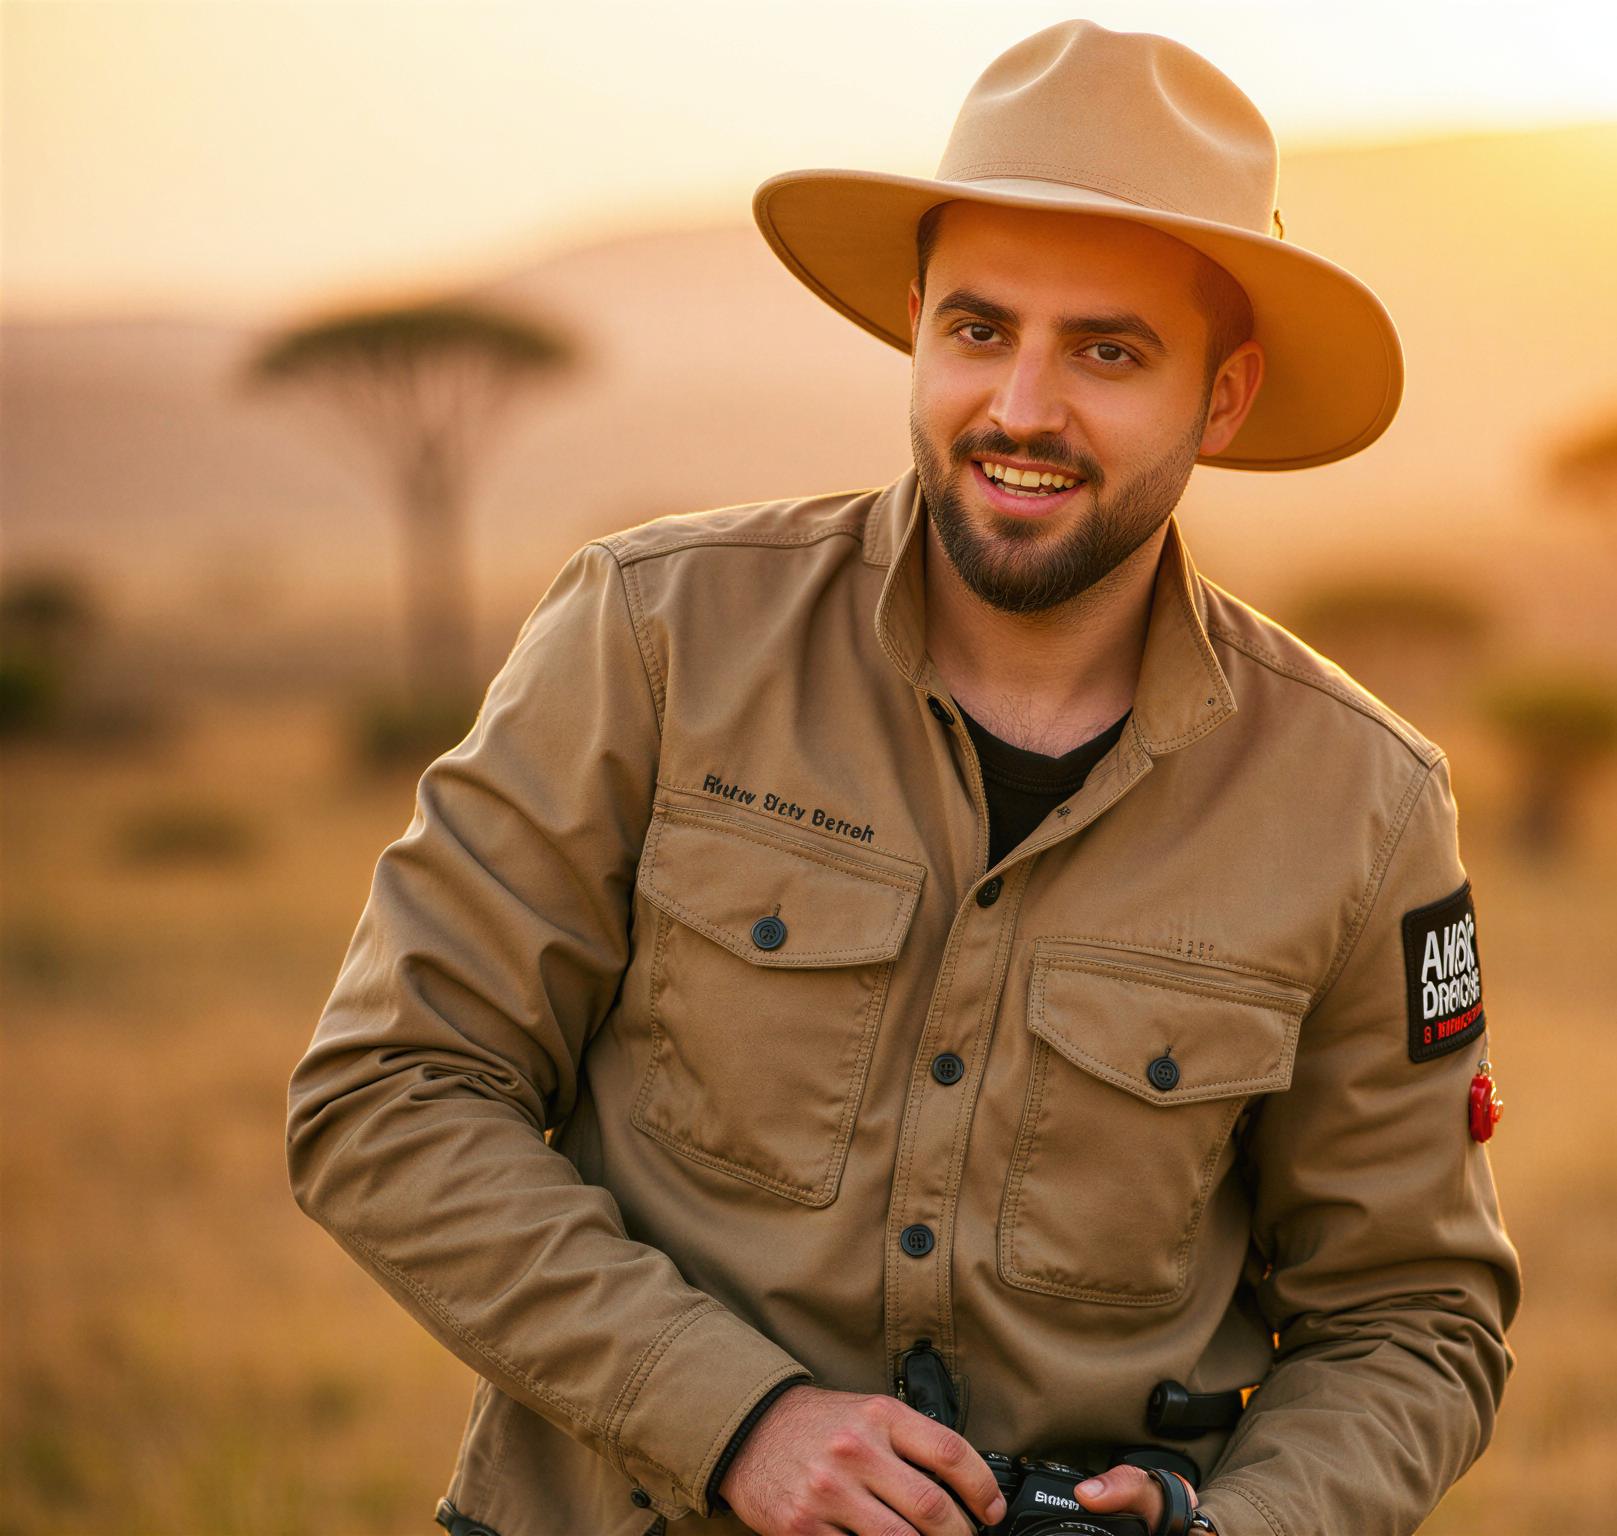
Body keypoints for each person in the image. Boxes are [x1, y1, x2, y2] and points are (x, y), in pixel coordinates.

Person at [287, 20, 1518, 1536]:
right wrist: (731, 1418)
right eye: (980, 330)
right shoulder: (652, 636)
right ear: (915, 324)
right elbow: (389, 1093)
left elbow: (1412, 1319)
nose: (1020, 409)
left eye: (1109, 351)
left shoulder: (1363, 807)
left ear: (1225, 397)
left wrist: (1238, 1529)